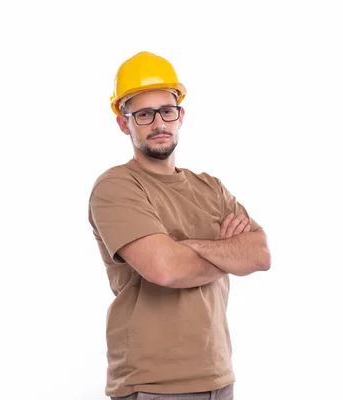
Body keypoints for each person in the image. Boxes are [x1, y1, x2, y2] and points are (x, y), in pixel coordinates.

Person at [88, 51, 271, 400]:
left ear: (180, 115)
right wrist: (224, 249)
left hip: (219, 376)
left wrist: (188, 246)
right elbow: (166, 269)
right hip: (153, 385)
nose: (158, 123)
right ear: (123, 123)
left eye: (166, 111)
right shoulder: (117, 187)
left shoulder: (211, 188)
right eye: (143, 114)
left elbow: (260, 255)